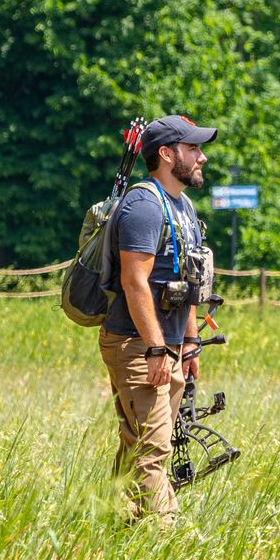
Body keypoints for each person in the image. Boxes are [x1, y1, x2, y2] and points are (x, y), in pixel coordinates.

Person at [99, 113, 216, 525]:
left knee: (137, 445)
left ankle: (117, 525)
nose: (201, 157)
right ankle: (164, 540)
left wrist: (188, 343)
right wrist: (154, 348)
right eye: (193, 149)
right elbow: (135, 283)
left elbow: (185, 283)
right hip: (136, 342)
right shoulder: (143, 206)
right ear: (167, 155)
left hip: (165, 345)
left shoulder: (182, 205)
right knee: (154, 448)